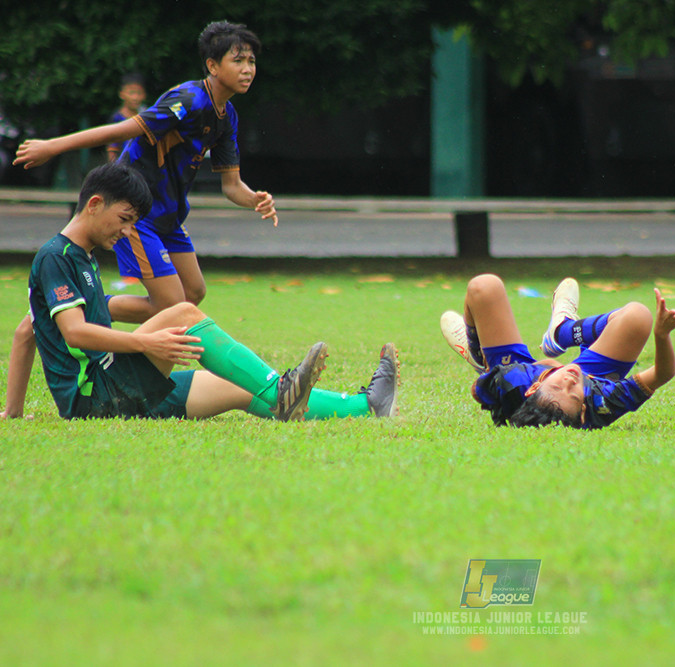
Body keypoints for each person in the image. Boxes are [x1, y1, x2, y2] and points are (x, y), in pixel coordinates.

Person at [5, 21, 275, 418]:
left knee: (193, 295)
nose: (248, 68)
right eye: (238, 60)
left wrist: (254, 199)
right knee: (174, 306)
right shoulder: (186, 99)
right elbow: (124, 129)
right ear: (212, 66)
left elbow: (231, 185)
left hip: (170, 219)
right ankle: (92, 317)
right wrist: (54, 146)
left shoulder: (226, 116)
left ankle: (91, 305)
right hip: (137, 214)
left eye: (252, 61)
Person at [13, 161, 399, 421]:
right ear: (95, 204)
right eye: (125, 220)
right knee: (183, 314)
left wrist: (12, 412)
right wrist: (149, 342)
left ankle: (366, 407)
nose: (127, 231)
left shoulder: (80, 257)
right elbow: (75, 332)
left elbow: (26, 331)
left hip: (110, 388)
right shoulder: (56, 257)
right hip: (94, 397)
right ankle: (282, 389)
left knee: (243, 385)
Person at [439, 274, 675, 429]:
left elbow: (477, 391)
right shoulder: (602, 403)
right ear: (583, 411)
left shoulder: (511, 382)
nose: (569, 382)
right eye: (573, 394)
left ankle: (476, 352)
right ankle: (561, 332)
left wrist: (489, 372)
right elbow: (664, 373)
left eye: (559, 387)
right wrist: (661, 334)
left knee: (484, 286)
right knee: (638, 316)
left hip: (523, 369)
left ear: (533, 388)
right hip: (591, 376)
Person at [105, 72, 147, 163]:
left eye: (139, 93)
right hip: (124, 166)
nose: (135, 97)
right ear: (122, 94)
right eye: (131, 93)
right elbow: (112, 149)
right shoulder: (117, 118)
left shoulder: (146, 115)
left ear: (144, 95)